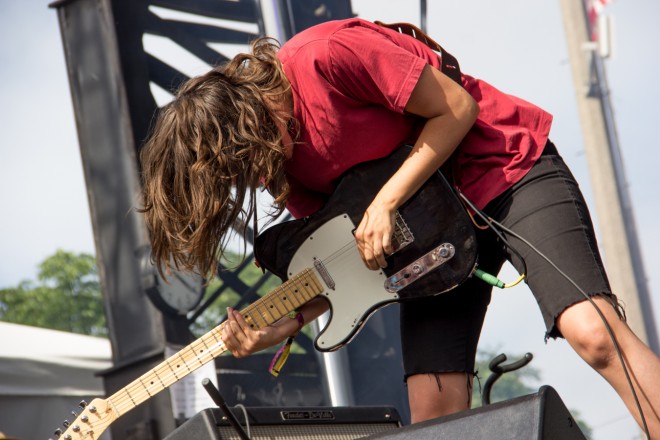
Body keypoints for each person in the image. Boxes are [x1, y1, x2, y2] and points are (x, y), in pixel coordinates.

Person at [140, 18, 660, 435]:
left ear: (243, 120)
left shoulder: (325, 55)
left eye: (242, 163)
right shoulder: (280, 166)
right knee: (433, 417)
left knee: (592, 334)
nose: (254, 180)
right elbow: (350, 259)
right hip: (430, 245)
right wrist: (287, 324)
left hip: (505, 171)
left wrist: (387, 201)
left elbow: (457, 107)